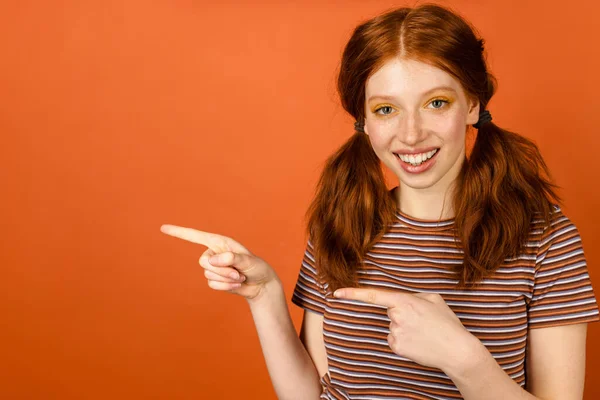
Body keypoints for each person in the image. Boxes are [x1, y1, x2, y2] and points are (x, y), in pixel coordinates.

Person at [160, 3, 599, 399]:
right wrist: (265, 294)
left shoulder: (545, 240)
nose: (410, 134)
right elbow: (309, 394)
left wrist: (464, 359)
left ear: (472, 105)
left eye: (436, 102)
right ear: (364, 121)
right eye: (386, 109)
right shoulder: (343, 222)